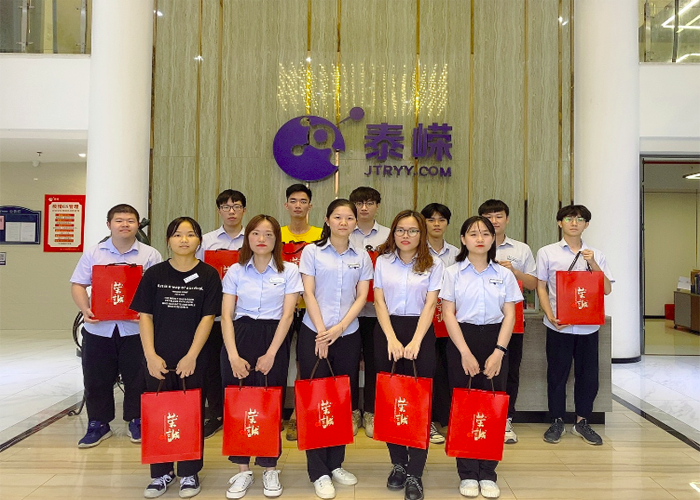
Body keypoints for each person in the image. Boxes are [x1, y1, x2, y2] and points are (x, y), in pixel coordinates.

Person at [131, 217, 223, 499]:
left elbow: (208, 318)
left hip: (193, 359)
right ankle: (160, 473)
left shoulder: (209, 275)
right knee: (158, 414)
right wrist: (150, 355)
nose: (184, 240)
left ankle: (189, 472)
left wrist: (192, 356)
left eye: (190, 234)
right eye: (178, 234)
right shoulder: (154, 274)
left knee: (190, 413)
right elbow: (145, 315)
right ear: (168, 240)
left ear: (199, 241)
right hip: (157, 357)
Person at [220, 215, 303, 499]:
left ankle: (269, 467)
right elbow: (226, 316)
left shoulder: (289, 271)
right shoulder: (235, 271)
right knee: (238, 402)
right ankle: (242, 469)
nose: (262, 239)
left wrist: (271, 354)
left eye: (268, 234)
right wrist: (233, 355)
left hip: (273, 337)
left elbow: (288, 315)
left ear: (277, 239)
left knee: (270, 403)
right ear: (248, 238)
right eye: (256, 233)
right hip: (239, 335)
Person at [440, 216, 523, 499]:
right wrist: (464, 352)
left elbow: (510, 315)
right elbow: (448, 313)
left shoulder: (504, 274)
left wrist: (499, 352)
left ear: (492, 239)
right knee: (463, 407)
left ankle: (488, 472)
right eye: (473, 233)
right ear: (463, 239)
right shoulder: (452, 273)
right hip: (461, 340)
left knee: (492, 407)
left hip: (495, 340)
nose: (480, 238)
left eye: (485, 233)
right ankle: (466, 472)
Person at [298, 199, 373, 499]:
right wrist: (322, 332)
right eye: (338, 217)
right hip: (314, 333)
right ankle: (318, 470)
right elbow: (308, 292)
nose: (344, 222)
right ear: (327, 220)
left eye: (349, 218)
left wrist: (340, 328)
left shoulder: (362, 255)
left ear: (355, 222)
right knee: (316, 399)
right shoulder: (312, 252)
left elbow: (362, 296)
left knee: (342, 400)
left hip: (348, 334)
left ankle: (336, 463)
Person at [70, 204, 162, 448]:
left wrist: (147, 313)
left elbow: (157, 290)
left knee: (138, 377)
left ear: (137, 225)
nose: (124, 225)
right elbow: (78, 284)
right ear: (109, 224)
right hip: (99, 329)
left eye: (130, 220)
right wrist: (85, 309)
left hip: (136, 330)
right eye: (119, 220)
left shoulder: (150, 255)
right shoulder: (94, 253)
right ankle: (98, 423)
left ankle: (137, 420)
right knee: (96, 378)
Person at [373, 210, 444, 500]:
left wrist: (415, 341)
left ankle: (416, 471)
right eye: (401, 230)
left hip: (420, 333)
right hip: (387, 331)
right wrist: (391, 338)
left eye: (413, 230)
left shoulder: (434, 263)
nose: (406, 235)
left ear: (421, 234)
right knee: (391, 401)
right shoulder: (382, 261)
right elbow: (379, 302)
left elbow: (430, 305)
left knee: (418, 403)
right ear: (393, 233)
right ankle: (398, 464)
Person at [537, 205, 613, 447]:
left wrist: (594, 264)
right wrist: (550, 315)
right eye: (568, 218)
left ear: (586, 225)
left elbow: (607, 289)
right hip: (558, 326)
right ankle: (556, 421)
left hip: (588, 327)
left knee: (588, 376)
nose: (574, 223)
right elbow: (540, 287)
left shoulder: (596, 254)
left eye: (580, 219)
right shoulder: (547, 252)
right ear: (560, 222)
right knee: (556, 375)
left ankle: (582, 422)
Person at [478, 199, 537, 444]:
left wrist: (515, 272)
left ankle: (505, 419)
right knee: (480, 370)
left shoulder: (521, 249)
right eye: (488, 216)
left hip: (513, 322)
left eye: (498, 216)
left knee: (510, 371)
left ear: (507, 219)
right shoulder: (473, 245)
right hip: (480, 321)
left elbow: (533, 284)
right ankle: (481, 417)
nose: (494, 221)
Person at [196, 190, 247, 439]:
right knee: (212, 367)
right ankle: (216, 415)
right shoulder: (206, 242)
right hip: (213, 317)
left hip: (244, 316)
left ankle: (243, 412)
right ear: (219, 211)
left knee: (243, 365)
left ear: (244, 210)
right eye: (226, 207)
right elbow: (196, 273)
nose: (231, 211)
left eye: (236, 206)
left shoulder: (253, 239)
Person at [279, 183, 323, 442]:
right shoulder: (276, 233)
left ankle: (298, 414)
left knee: (304, 361)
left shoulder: (320, 235)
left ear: (310, 206)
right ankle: (273, 413)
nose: (298, 205)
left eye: (303, 201)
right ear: (286, 205)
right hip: (281, 308)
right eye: (293, 201)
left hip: (312, 309)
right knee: (279, 359)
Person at [348, 186, 390, 437]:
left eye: (370, 203)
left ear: (377, 206)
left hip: (377, 313)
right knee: (349, 362)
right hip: (348, 312)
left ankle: (373, 411)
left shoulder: (389, 235)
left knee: (376, 362)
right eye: (359, 203)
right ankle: (352, 410)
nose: (364, 208)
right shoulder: (343, 231)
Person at [420, 203, 459, 445]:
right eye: (431, 219)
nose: (436, 224)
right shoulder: (416, 251)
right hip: (424, 321)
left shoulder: (457, 253)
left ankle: (449, 420)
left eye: (441, 219)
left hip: (450, 321)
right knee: (428, 371)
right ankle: (429, 421)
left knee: (449, 371)